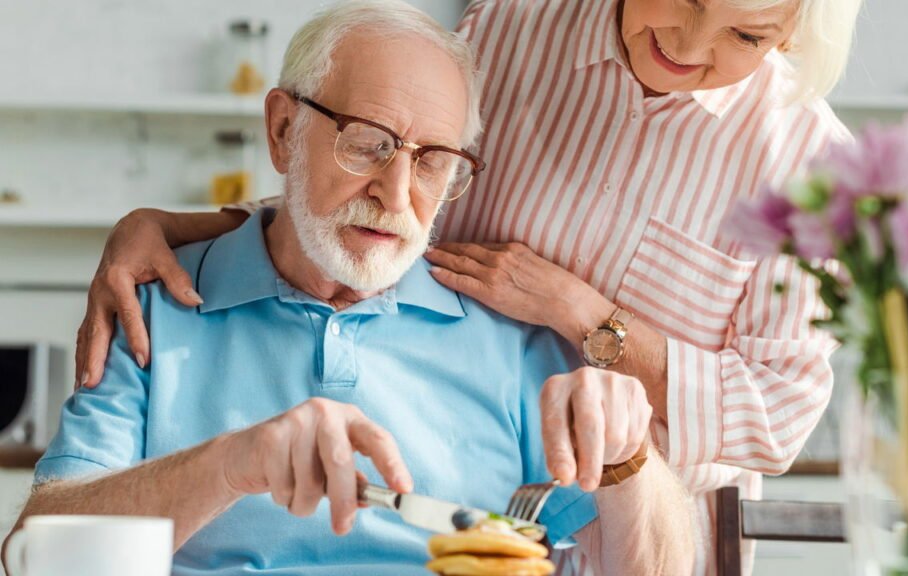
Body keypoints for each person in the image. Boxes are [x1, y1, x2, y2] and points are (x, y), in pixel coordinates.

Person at [76, 0, 863, 572]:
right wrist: (176, 227)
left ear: (793, 30)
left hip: (645, 527)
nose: (689, 43)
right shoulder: (509, 31)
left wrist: (585, 318)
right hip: (452, 474)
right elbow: (385, 162)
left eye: (746, 33)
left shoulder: (809, 164)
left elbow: (774, 419)